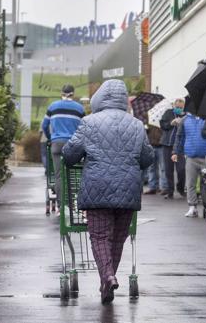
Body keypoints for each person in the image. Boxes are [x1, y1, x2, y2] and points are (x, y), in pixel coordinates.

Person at [62, 79, 154, 305]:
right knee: (118, 239)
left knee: (100, 236)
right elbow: (147, 158)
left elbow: (70, 155)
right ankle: (108, 280)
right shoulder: (136, 124)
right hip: (128, 190)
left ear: (100, 98)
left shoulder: (88, 122)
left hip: (97, 188)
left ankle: (108, 277)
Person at [41, 84, 85, 215]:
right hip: (73, 144)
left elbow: (44, 125)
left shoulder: (53, 106)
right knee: (75, 175)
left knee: (59, 176)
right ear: (73, 93)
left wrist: (50, 138)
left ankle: (61, 207)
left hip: (57, 144)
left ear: (61, 93)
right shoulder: (79, 108)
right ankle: (76, 206)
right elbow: (84, 128)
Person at [172, 111, 206, 217]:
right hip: (190, 156)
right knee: (190, 184)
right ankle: (192, 207)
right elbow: (179, 137)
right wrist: (175, 152)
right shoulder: (185, 120)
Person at [160, 98, 186, 199]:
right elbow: (162, 125)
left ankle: (180, 188)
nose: (178, 109)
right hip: (167, 144)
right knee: (168, 169)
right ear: (173, 106)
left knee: (181, 169)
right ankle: (170, 191)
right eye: (177, 107)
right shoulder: (168, 113)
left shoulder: (185, 116)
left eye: (180, 107)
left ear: (183, 107)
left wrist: (181, 123)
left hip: (180, 147)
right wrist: (171, 123)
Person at [144, 123, 168, 195]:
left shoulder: (162, 121)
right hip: (151, 145)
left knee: (163, 168)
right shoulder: (149, 120)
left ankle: (164, 187)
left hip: (161, 145)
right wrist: (146, 128)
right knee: (151, 168)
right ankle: (153, 187)